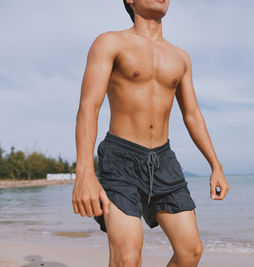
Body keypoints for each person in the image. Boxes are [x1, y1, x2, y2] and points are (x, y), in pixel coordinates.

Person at [71, 0, 230, 266]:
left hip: (164, 160)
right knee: (128, 257)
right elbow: (89, 106)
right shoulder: (110, 43)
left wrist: (216, 164)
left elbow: (192, 114)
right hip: (121, 158)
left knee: (190, 251)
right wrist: (84, 172)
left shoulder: (180, 57)